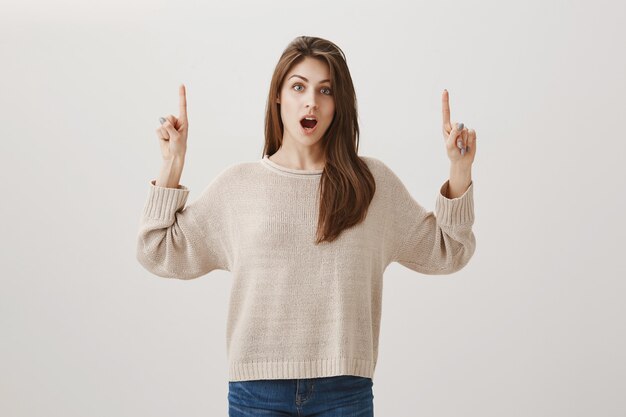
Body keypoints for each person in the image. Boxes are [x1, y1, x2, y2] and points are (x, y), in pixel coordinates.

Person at [137, 35, 476, 417]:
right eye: (298, 86)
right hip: (256, 392)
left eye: (325, 90)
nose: (311, 101)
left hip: (345, 391)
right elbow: (157, 251)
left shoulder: (370, 183)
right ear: (278, 96)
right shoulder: (239, 186)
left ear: (338, 104)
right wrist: (172, 165)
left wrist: (459, 170)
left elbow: (450, 250)